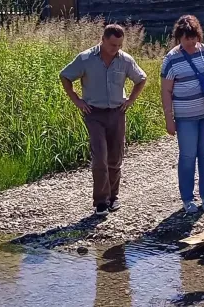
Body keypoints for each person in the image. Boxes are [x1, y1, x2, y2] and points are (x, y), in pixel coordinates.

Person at [59, 24, 147, 216]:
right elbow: (65, 76)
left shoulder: (125, 60)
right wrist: (77, 100)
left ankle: (113, 197)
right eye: (112, 44)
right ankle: (100, 201)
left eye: (119, 45)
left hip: (117, 112)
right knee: (100, 158)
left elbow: (141, 78)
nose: (116, 48)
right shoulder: (86, 58)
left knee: (115, 157)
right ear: (103, 40)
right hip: (94, 113)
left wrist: (131, 99)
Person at [160, 14, 204, 214]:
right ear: (179, 38)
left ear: (198, 35)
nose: (190, 42)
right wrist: (168, 118)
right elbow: (166, 91)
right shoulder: (171, 59)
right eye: (185, 38)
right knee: (188, 156)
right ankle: (188, 199)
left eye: (193, 37)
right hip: (185, 117)